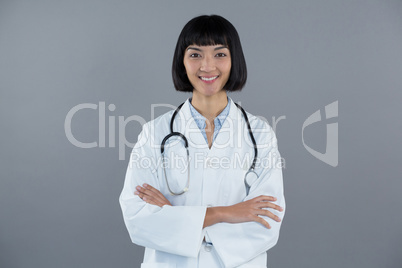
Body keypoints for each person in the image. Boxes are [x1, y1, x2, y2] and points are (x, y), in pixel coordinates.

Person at [119, 14, 285, 268]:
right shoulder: (155, 133)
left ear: (234, 60)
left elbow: (266, 223)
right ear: (182, 62)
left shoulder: (260, 135)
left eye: (220, 54)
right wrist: (224, 214)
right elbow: (137, 217)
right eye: (195, 54)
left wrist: (175, 217)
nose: (207, 66)